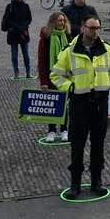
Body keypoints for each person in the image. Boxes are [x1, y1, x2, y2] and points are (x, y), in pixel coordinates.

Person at [51, 15, 110, 198]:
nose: (95, 31)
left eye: (97, 28)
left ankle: (96, 182)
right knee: (77, 145)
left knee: (98, 145)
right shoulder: (70, 51)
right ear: (83, 28)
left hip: (100, 104)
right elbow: (56, 75)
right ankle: (75, 184)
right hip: (79, 104)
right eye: (91, 28)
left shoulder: (106, 49)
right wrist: (70, 87)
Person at [38, 11, 71, 143]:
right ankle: (51, 130)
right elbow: (42, 60)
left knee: (64, 104)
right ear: (53, 22)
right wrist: (43, 81)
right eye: (59, 20)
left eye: (63, 20)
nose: (62, 23)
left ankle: (64, 129)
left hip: (65, 75)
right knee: (52, 103)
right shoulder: (46, 38)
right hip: (51, 75)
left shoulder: (68, 36)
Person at [2, 0, 33, 78]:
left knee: (26, 54)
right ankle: (16, 73)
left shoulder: (26, 6)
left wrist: (23, 27)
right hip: (13, 33)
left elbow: (29, 18)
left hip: (24, 33)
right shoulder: (9, 6)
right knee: (14, 55)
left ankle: (28, 73)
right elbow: (8, 19)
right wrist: (17, 27)